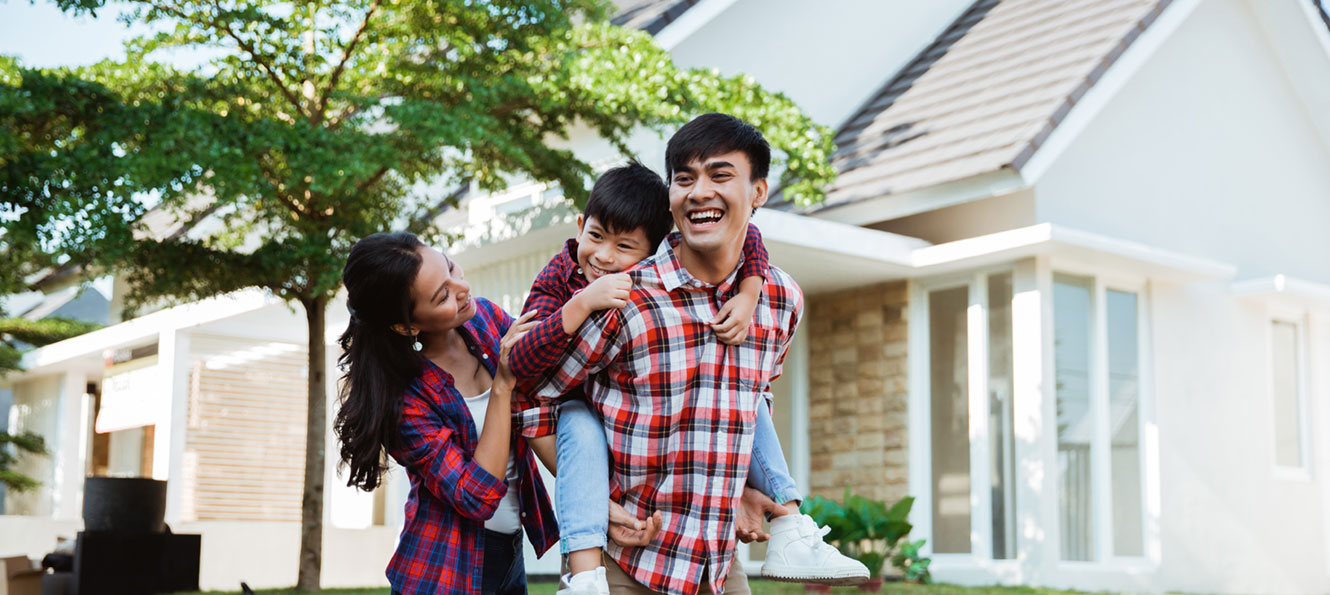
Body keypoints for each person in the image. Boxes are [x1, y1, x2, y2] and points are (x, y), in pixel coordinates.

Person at [526, 114, 869, 595]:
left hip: (717, 561)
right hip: (629, 564)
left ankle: (793, 527)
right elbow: (539, 396)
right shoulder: (626, 297)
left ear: (759, 192)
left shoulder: (779, 299)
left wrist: (750, 485)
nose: (699, 191)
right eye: (684, 179)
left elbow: (754, 397)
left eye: (720, 175)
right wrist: (591, 497)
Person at [331, 232, 554, 595]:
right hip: (445, 571)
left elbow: (541, 405)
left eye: (450, 267)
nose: (462, 287)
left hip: (511, 555)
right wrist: (501, 384)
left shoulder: (485, 321)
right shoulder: (405, 401)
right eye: (443, 295)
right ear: (407, 326)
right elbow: (476, 496)